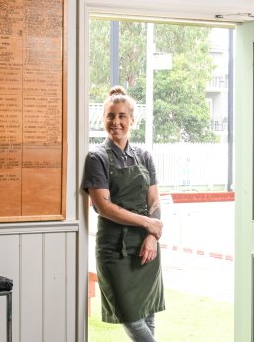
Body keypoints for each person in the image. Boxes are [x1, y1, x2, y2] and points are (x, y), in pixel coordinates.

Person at [82, 85, 165, 341]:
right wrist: (148, 224)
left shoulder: (144, 156)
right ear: (104, 119)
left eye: (121, 116)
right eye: (110, 116)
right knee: (131, 318)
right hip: (113, 251)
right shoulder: (96, 158)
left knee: (148, 314)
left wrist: (152, 236)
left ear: (132, 120)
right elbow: (105, 208)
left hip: (146, 246)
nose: (115, 122)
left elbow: (154, 201)